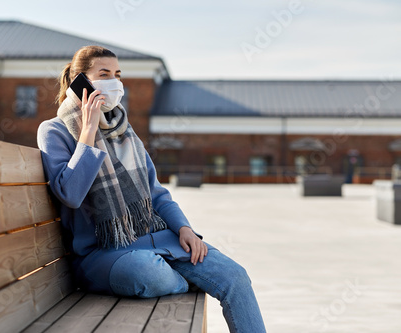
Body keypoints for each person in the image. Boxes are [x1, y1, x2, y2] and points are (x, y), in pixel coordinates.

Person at [37, 45, 266, 333]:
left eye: (117, 75)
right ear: (79, 81)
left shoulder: (125, 132)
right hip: (104, 253)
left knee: (235, 278)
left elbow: (157, 194)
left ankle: (184, 272)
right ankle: (187, 279)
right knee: (147, 273)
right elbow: (70, 194)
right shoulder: (54, 131)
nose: (114, 82)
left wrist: (185, 229)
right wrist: (88, 132)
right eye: (104, 74)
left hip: (159, 241)